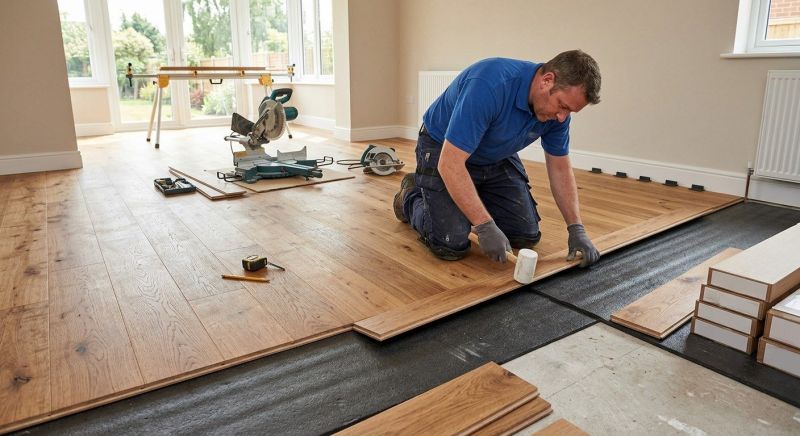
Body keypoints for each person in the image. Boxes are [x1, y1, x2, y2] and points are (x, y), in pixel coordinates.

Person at [393, 50, 601, 267]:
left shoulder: (557, 116)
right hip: (442, 147)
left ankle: (468, 195)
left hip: (495, 155)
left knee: (525, 236)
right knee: (450, 243)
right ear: (547, 81)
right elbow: (450, 163)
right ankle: (410, 195)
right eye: (563, 106)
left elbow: (560, 169)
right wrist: (483, 225)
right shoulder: (489, 84)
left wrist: (576, 228)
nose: (562, 117)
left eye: (569, 112)